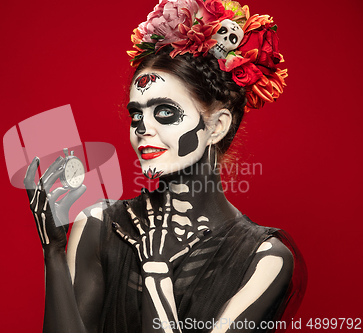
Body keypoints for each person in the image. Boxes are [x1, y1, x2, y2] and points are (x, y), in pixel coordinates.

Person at [23, 0, 306, 332]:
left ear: (216, 126)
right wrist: (54, 253)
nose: (142, 127)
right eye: (136, 114)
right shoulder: (99, 225)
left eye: (165, 112)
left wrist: (155, 275)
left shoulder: (265, 259)